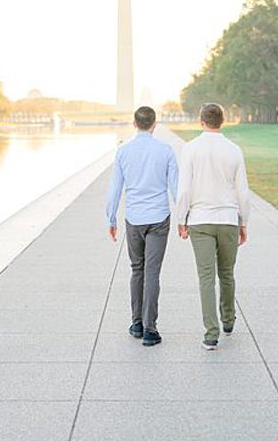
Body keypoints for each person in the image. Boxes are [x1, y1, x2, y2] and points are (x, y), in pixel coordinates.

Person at [173, 101, 252, 350]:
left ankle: (211, 332)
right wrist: (244, 222)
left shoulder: (190, 149)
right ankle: (228, 320)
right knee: (227, 273)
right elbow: (243, 192)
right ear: (222, 121)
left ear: (201, 121)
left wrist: (181, 218)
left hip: (200, 220)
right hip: (228, 219)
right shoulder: (234, 150)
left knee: (206, 278)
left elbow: (184, 188)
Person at [106, 103, 181, 348]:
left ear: (135, 123)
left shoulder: (123, 151)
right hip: (159, 218)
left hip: (134, 218)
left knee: (137, 269)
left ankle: (137, 322)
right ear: (154, 124)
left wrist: (111, 218)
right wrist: (184, 218)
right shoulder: (166, 150)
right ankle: (150, 329)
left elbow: (115, 188)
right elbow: (176, 188)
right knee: (152, 273)